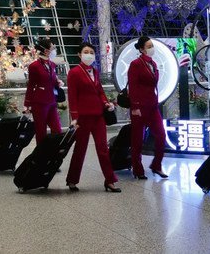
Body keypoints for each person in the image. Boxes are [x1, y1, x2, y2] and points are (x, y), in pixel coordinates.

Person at [65, 42, 120, 193]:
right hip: (82, 118)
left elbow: (100, 91)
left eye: (91, 52)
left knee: (103, 149)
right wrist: (74, 117)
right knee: (80, 149)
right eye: (86, 52)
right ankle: (72, 179)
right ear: (79, 55)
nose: (89, 55)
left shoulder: (95, 72)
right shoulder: (74, 73)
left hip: (98, 116)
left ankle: (110, 180)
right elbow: (72, 96)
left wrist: (106, 103)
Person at [128, 36, 168, 180]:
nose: (152, 48)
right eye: (149, 46)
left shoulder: (153, 63)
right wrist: (135, 106)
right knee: (138, 139)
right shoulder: (136, 64)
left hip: (152, 106)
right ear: (141, 49)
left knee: (161, 135)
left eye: (152, 45)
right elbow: (132, 86)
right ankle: (137, 169)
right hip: (139, 107)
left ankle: (156, 165)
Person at [23, 38, 62, 144]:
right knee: (41, 132)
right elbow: (31, 85)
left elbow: (52, 80)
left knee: (57, 130)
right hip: (39, 103)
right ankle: (40, 156)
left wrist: (58, 82)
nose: (54, 50)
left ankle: (53, 153)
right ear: (46, 51)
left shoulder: (52, 65)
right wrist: (27, 104)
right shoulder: (34, 66)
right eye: (53, 48)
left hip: (52, 101)